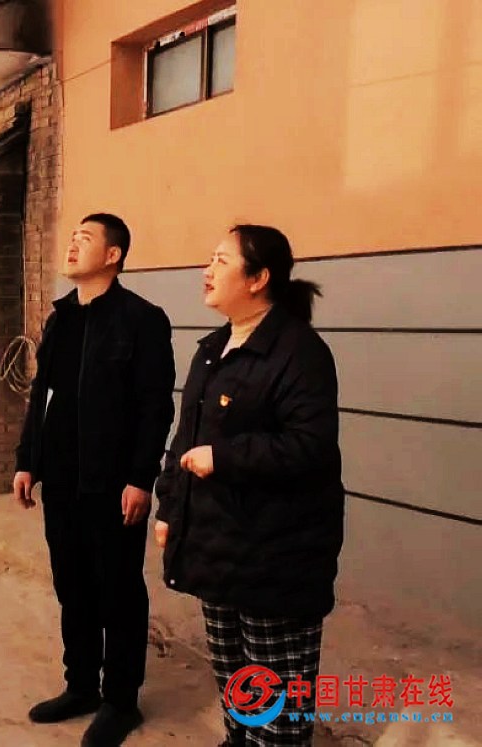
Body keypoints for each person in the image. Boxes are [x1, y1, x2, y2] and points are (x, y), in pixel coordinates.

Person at [154, 224, 344, 747]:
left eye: (221, 260)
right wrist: (169, 508)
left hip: (276, 558)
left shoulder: (299, 352)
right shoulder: (214, 347)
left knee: (276, 707)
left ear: (258, 278)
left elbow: (309, 446)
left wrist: (224, 457)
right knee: (237, 687)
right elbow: (185, 436)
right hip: (218, 550)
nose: (207, 270)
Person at [14, 213, 176, 747]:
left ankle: (121, 701)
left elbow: (154, 408)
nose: (72, 244)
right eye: (72, 237)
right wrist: (27, 461)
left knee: (118, 591)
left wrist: (140, 478)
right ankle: (80, 684)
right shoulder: (61, 319)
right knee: (72, 586)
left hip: (113, 487)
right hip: (62, 482)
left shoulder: (142, 320)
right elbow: (42, 396)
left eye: (85, 239)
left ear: (113, 255)